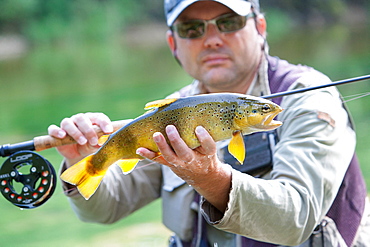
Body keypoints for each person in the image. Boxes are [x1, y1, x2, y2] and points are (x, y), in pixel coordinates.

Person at [48, 0, 370, 246]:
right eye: (192, 29)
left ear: (259, 27)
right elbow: (107, 209)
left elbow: (296, 218)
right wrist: (83, 159)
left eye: (228, 22)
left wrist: (210, 178)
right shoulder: (170, 114)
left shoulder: (308, 98)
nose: (212, 39)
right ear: (174, 44)